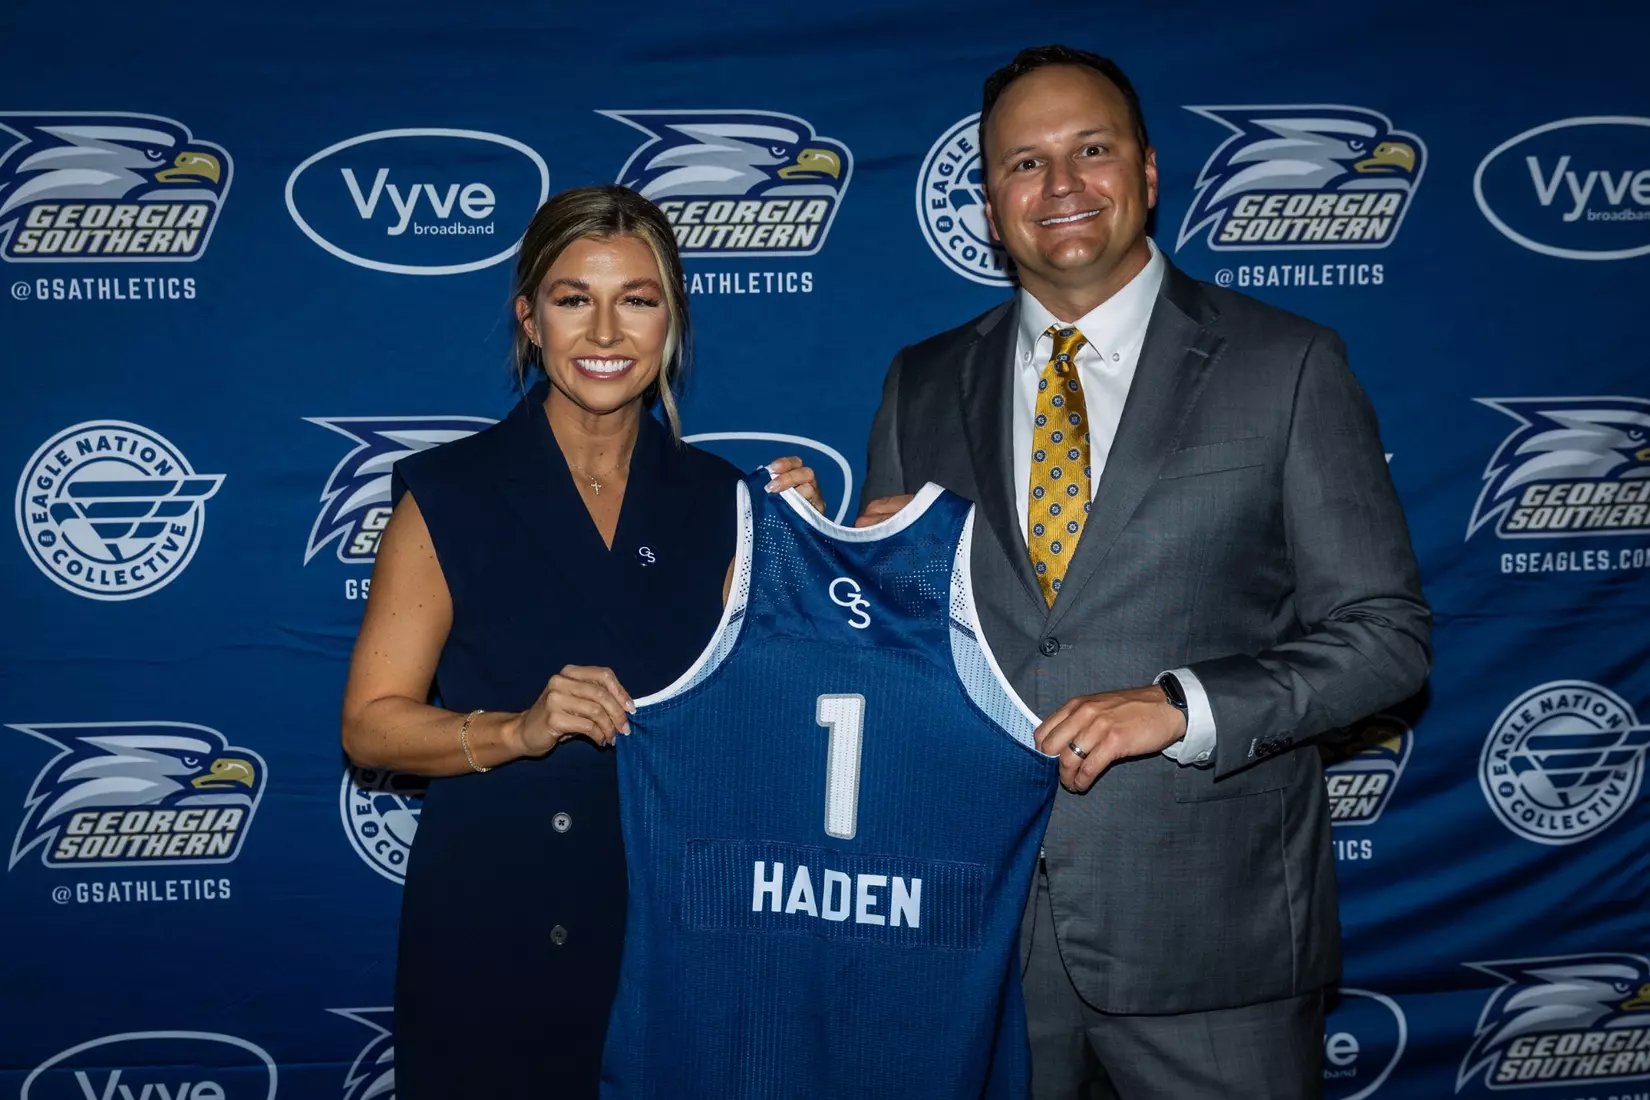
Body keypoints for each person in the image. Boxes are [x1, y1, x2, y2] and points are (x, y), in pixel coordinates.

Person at [859, 46, 1431, 1099]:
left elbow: (1387, 636)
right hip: (975, 941)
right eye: (1024, 164)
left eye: (1091, 150)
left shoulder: (1287, 363)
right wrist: (834, 561)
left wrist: (1181, 704)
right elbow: (896, 650)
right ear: (989, 202)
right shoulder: (922, 381)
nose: (1062, 186)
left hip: (1216, 947)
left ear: (1150, 172)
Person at [340, 185, 823, 1100]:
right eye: (573, 299)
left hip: (677, 933)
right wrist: (518, 730)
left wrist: (803, 555)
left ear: (672, 319)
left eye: (637, 299)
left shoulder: (729, 501)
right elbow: (370, 727)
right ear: (530, 319)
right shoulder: (447, 493)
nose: (605, 332)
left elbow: (775, 721)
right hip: (493, 928)